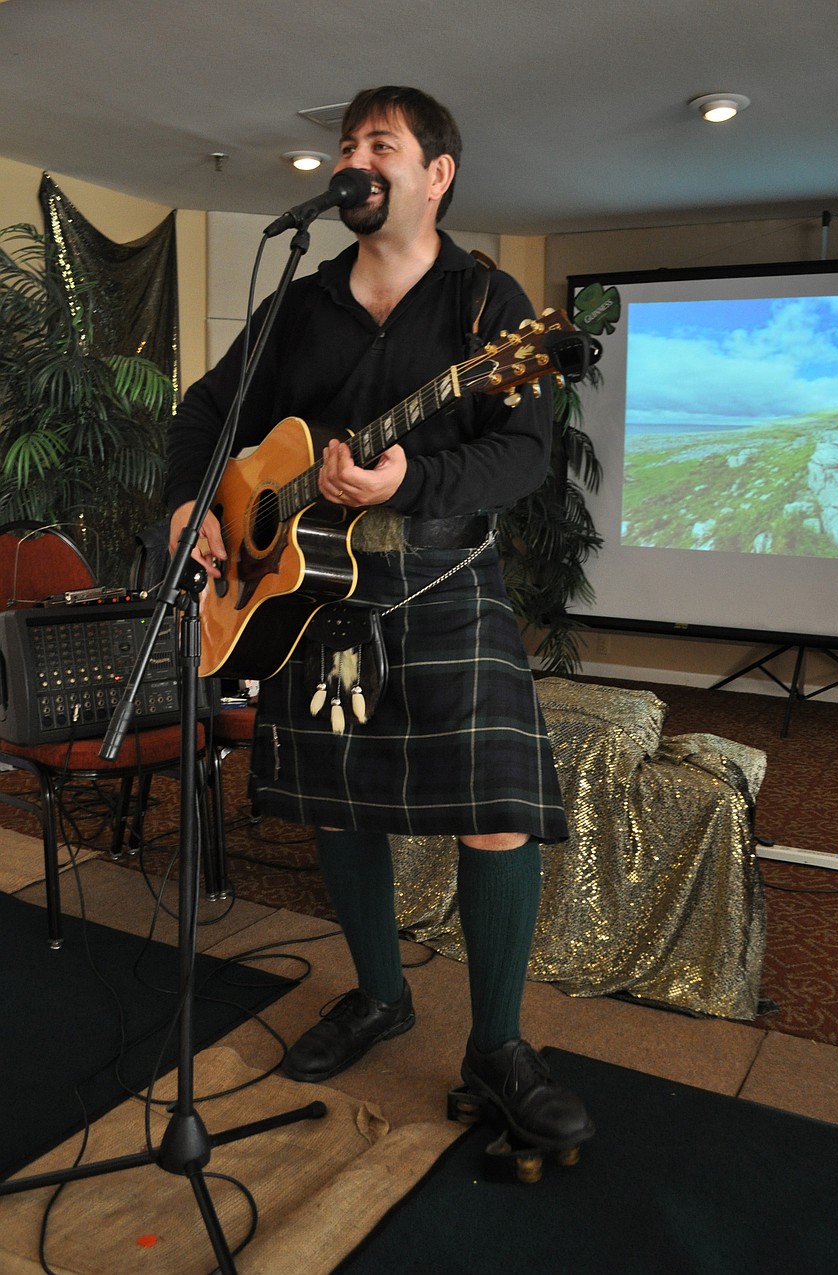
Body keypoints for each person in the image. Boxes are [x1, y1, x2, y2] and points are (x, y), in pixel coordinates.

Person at [167, 86, 593, 1155]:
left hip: (446, 584)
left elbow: (524, 455)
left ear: (436, 173)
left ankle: (496, 1048)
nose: (354, 160)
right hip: (309, 595)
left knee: (494, 807)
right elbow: (209, 415)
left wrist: (407, 480)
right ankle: (378, 995)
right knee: (337, 808)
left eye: (380, 146)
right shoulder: (299, 304)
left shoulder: (488, 306)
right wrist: (190, 505)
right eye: (347, 145)